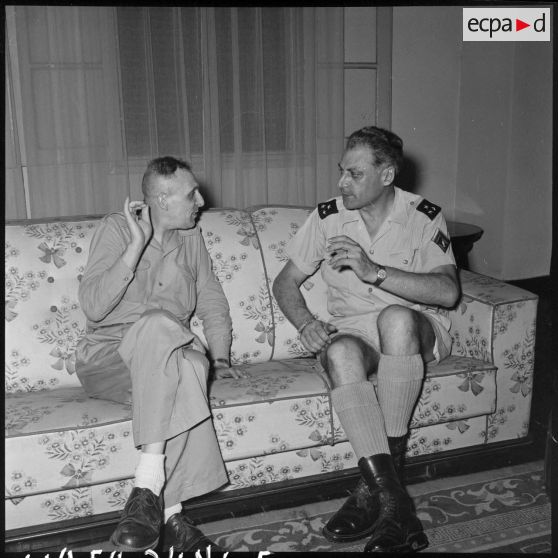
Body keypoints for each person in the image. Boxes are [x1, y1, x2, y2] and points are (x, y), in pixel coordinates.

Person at [272, 126, 460, 553]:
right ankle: (394, 503)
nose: (342, 182)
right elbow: (285, 282)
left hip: (416, 327)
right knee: (339, 349)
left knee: (395, 318)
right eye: (342, 171)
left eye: (354, 174)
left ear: (387, 175)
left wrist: (375, 272)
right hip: (356, 330)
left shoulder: (423, 216)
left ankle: (375, 494)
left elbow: (448, 292)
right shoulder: (327, 217)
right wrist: (305, 323)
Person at [75, 156, 246, 553]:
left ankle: (157, 506)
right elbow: (94, 307)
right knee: (159, 330)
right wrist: (136, 246)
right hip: (111, 360)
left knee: (188, 363)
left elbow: (212, 301)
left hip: (172, 357)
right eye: (192, 194)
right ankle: (161, 500)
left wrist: (221, 358)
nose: (201, 201)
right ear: (163, 200)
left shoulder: (192, 239)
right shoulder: (117, 229)